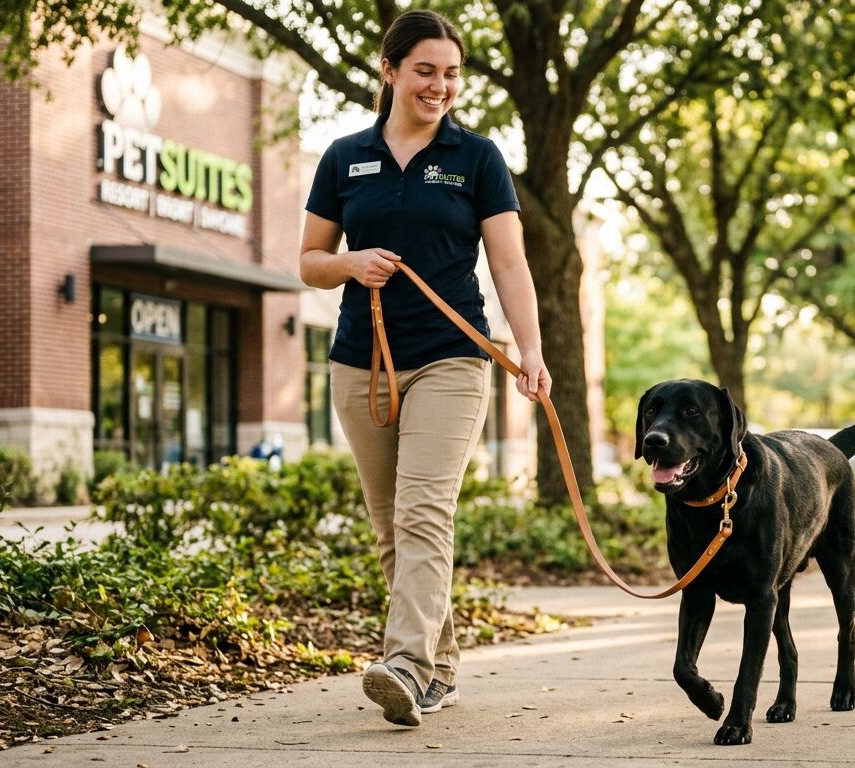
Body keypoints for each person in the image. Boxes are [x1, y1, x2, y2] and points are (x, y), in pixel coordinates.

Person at [298, 9, 549, 728]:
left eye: (451, 74)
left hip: (451, 359)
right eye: (425, 71)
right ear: (389, 71)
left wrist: (529, 352)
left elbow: (508, 261)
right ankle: (436, 671)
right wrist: (349, 262)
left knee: (424, 514)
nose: (440, 86)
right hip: (362, 363)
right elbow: (310, 262)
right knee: (392, 528)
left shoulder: (477, 158)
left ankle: (404, 663)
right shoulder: (344, 157)